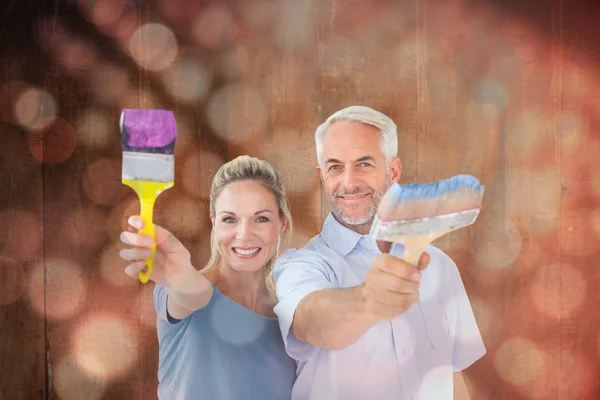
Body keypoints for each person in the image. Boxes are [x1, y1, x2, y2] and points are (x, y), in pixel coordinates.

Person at [272, 106, 486, 400]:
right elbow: (313, 322)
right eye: (335, 167)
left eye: (364, 164)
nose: (348, 182)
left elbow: (452, 376)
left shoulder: (440, 266)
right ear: (322, 176)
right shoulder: (302, 266)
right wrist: (369, 300)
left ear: (393, 170)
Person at [119, 155, 297, 400]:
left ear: (281, 224)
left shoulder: (292, 315)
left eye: (261, 219)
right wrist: (178, 276)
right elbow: (194, 294)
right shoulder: (183, 293)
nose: (244, 235)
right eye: (229, 219)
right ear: (214, 223)